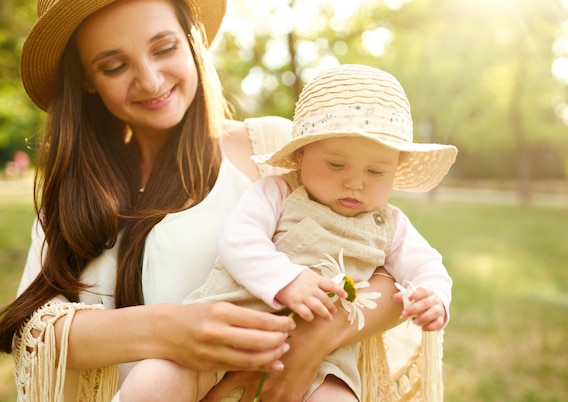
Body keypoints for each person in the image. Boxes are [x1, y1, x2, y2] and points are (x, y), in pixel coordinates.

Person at [0, 1, 423, 401]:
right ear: (87, 80)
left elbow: (388, 270)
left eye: (163, 47)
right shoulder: (75, 188)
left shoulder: (270, 148)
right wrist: (170, 328)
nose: (149, 80)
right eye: (114, 65)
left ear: (192, 38)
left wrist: (321, 337)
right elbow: (33, 330)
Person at [118, 64, 457, 402]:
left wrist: (432, 295)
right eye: (336, 165)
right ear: (301, 153)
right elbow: (239, 239)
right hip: (231, 329)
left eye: (376, 171)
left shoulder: (391, 224)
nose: (355, 182)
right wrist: (286, 279)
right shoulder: (277, 192)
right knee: (152, 383)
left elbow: (426, 265)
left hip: (321, 362)